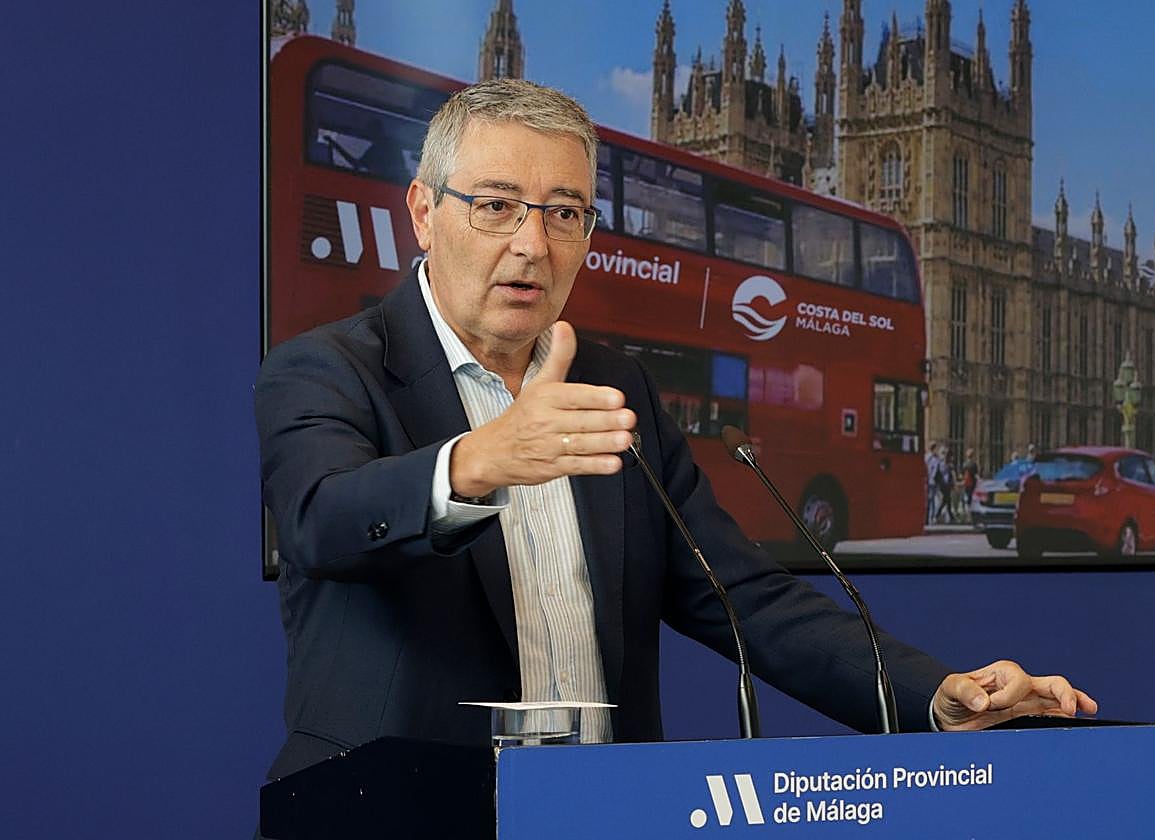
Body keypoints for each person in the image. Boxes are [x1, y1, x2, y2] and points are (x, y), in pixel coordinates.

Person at [255, 78, 1096, 781]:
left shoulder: (615, 388)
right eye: (497, 206)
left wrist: (937, 697)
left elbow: (745, 598)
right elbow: (322, 521)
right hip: (393, 810)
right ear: (423, 212)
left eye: (564, 213)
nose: (532, 244)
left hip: (601, 814)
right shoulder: (326, 369)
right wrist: (477, 461)